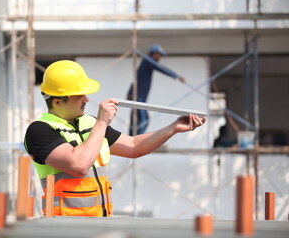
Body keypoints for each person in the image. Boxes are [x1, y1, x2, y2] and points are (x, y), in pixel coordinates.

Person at [24, 60, 206, 217]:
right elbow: (78, 165)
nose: (86, 100)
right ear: (57, 102)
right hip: (64, 227)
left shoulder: (90, 123)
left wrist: (173, 128)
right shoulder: (40, 131)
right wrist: (102, 123)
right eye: (80, 96)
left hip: (100, 222)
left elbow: (134, 146)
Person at [127, 44, 186, 135]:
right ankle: (135, 141)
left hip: (138, 96)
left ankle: (131, 139)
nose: (160, 57)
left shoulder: (146, 62)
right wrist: (176, 76)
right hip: (139, 98)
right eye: (160, 55)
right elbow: (161, 68)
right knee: (144, 120)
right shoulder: (148, 60)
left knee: (136, 120)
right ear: (155, 54)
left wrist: (130, 93)